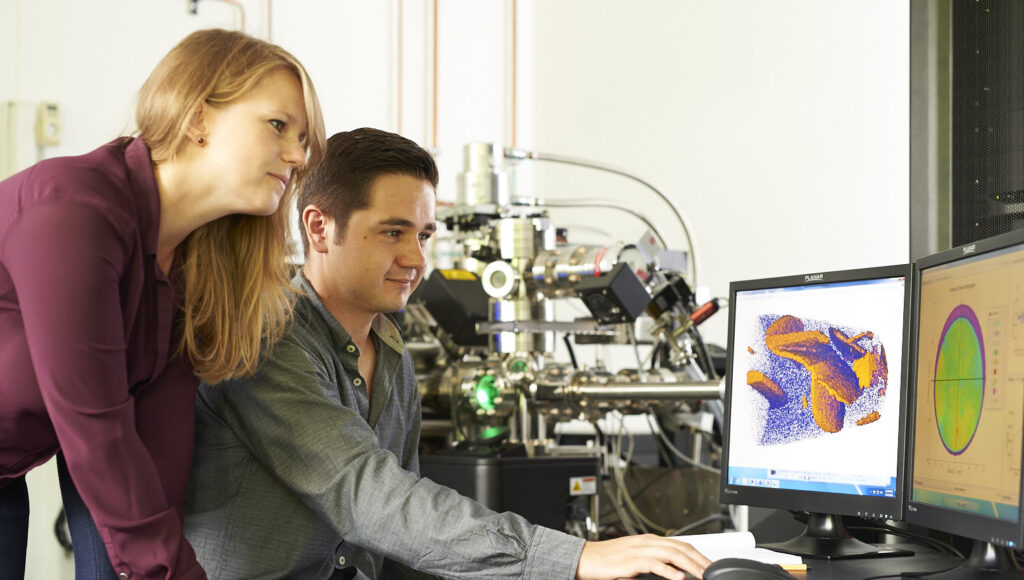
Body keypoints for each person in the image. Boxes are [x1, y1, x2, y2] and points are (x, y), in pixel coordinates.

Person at [183, 128, 710, 580]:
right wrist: (572, 559)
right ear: (319, 228)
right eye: (393, 232)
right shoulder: (265, 337)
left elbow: (397, 545)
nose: (415, 258)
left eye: (425, 234)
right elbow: (369, 496)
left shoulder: (391, 353)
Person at [0, 29, 326, 579]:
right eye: (278, 126)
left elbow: (152, 454)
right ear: (197, 120)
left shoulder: (191, 262)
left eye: (304, 139)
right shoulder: (74, 210)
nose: (298, 156)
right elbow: (94, 428)